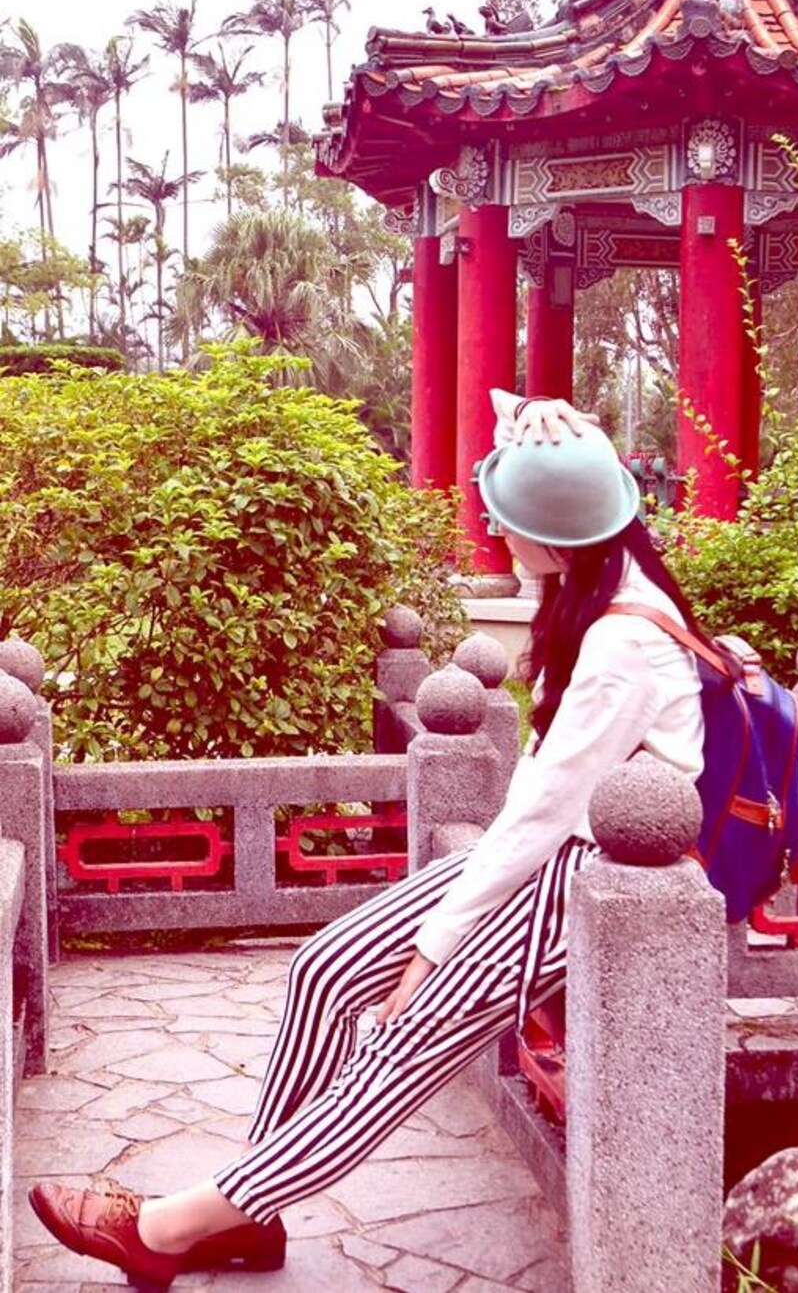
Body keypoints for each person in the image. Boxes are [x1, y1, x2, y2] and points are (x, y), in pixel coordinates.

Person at [28, 390, 712, 1291]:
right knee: (325, 969)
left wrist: (433, 949)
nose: (495, 528)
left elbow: (547, 809)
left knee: (397, 1043)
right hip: (540, 855)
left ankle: (166, 1229)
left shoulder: (625, 641)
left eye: (508, 515)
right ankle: (249, 1215)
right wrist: (544, 429)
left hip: (584, 879)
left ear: (557, 535)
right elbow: (538, 805)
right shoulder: (597, 583)